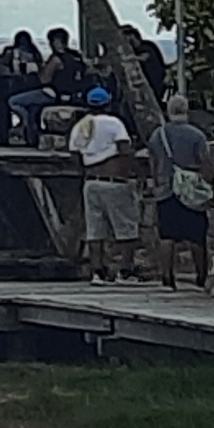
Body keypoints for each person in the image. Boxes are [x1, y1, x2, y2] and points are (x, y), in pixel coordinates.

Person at [69, 85, 143, 282]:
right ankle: (125, 271)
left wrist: (85, 171)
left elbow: (74, 154)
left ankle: (97, 271)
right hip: (114, 181)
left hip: (91, 183)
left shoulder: (80, 126)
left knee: (95, 230)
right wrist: (134, 173)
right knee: (126, 228)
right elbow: (124, 149)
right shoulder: (114, 123)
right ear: (108, 103)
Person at [148, 94, 214, 290]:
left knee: (167, 236)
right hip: (190, 191)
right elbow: (205, 163)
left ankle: (167, 277)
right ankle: (201, 276)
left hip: (165, 189)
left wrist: (156, 183)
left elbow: (153, 163)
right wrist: (211, 187)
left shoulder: (157, 135)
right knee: (196, 236)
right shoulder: (197, 135)